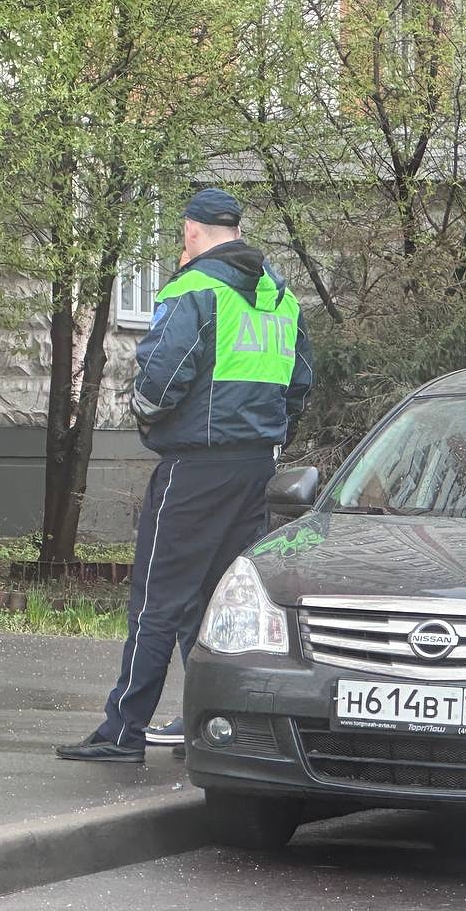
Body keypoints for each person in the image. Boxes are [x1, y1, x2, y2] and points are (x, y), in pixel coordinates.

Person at [55, 188, 313, 763]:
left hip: (195, 466)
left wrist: (147, 420)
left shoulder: (195, 290)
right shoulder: (280, 296)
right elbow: (300, 385)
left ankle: (123, 732)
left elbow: (160, 379)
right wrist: (267, 434)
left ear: (192, 232)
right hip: (255, 468)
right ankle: (217, 721)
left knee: (158, 599)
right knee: (223, 602)